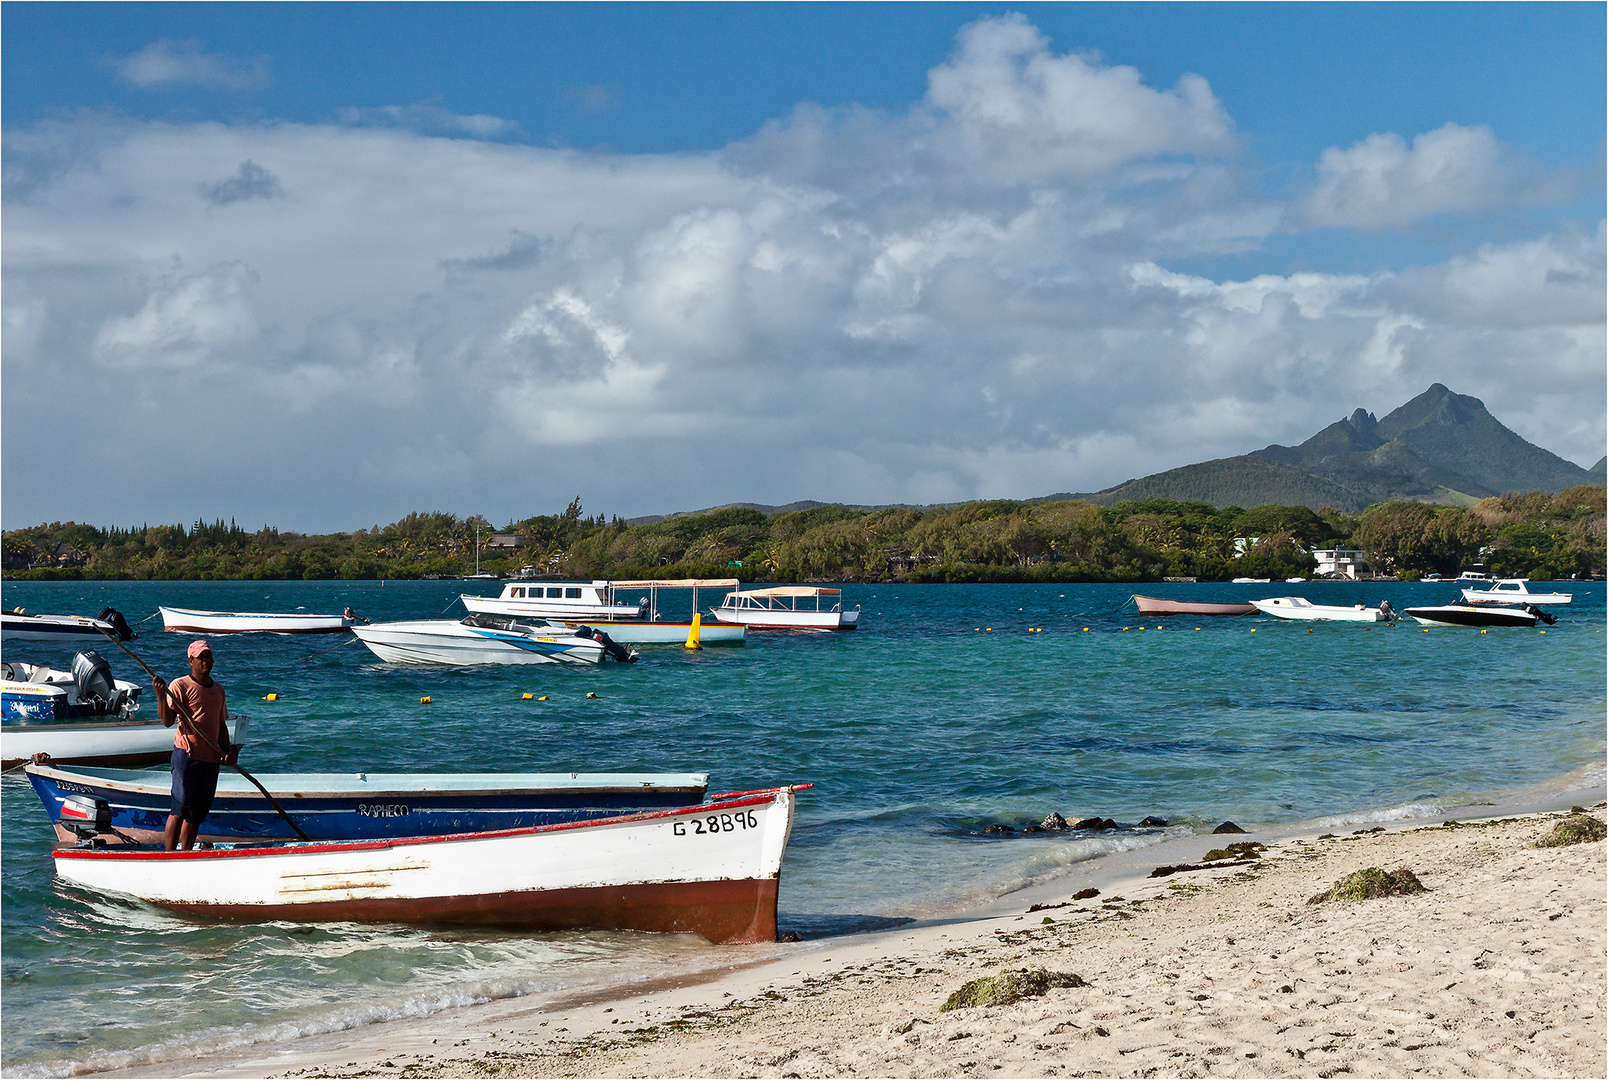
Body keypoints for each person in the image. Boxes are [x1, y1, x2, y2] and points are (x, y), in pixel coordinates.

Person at [151, 639, 236, 851]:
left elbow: (221, 725)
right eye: (201, 657)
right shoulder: (179, 686)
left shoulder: (218, 690)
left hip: (210, 759)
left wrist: (228, 752)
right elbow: (167, 721)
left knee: (196, 813)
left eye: (208, 656)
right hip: (187, 755)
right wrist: (161, 696)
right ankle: (169, 855)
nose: (206, 661)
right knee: (180, 807)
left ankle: (186, 853)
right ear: (191, 661)